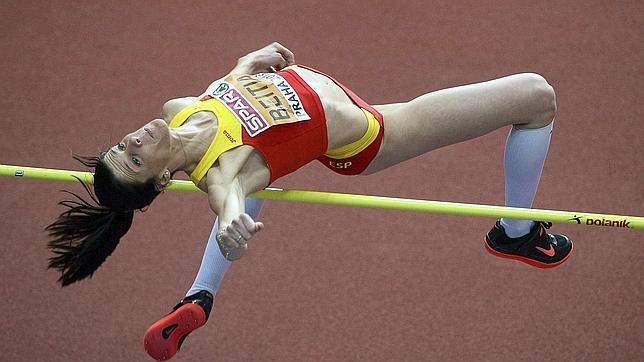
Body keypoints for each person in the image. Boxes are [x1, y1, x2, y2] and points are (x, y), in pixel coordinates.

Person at [45, 42, 572, 361]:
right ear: (161, 181)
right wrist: (232, 229)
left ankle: (199, 299)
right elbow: (230, 204)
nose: (132, 142)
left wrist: (246, 63)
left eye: (122, 147)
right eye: (134, 160)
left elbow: (224, 93)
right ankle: (515, 233)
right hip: (374, 132)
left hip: (340, 95)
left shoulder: (179, 108)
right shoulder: (223, 174)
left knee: (261, 183)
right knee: (535, 97)